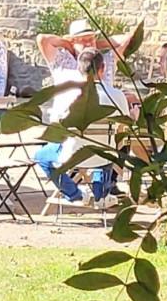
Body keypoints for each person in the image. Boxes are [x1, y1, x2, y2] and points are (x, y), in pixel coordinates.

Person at [33, 48, 129, 208]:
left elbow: (57, 126)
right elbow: (123, 127)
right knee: (105, 150)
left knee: (41, 156)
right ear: (102, 68)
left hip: (72, 155)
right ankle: (101, 195)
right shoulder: (117, 95)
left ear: (79, 69)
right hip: (104, 155)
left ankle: (74, 194)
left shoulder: (68, 95)